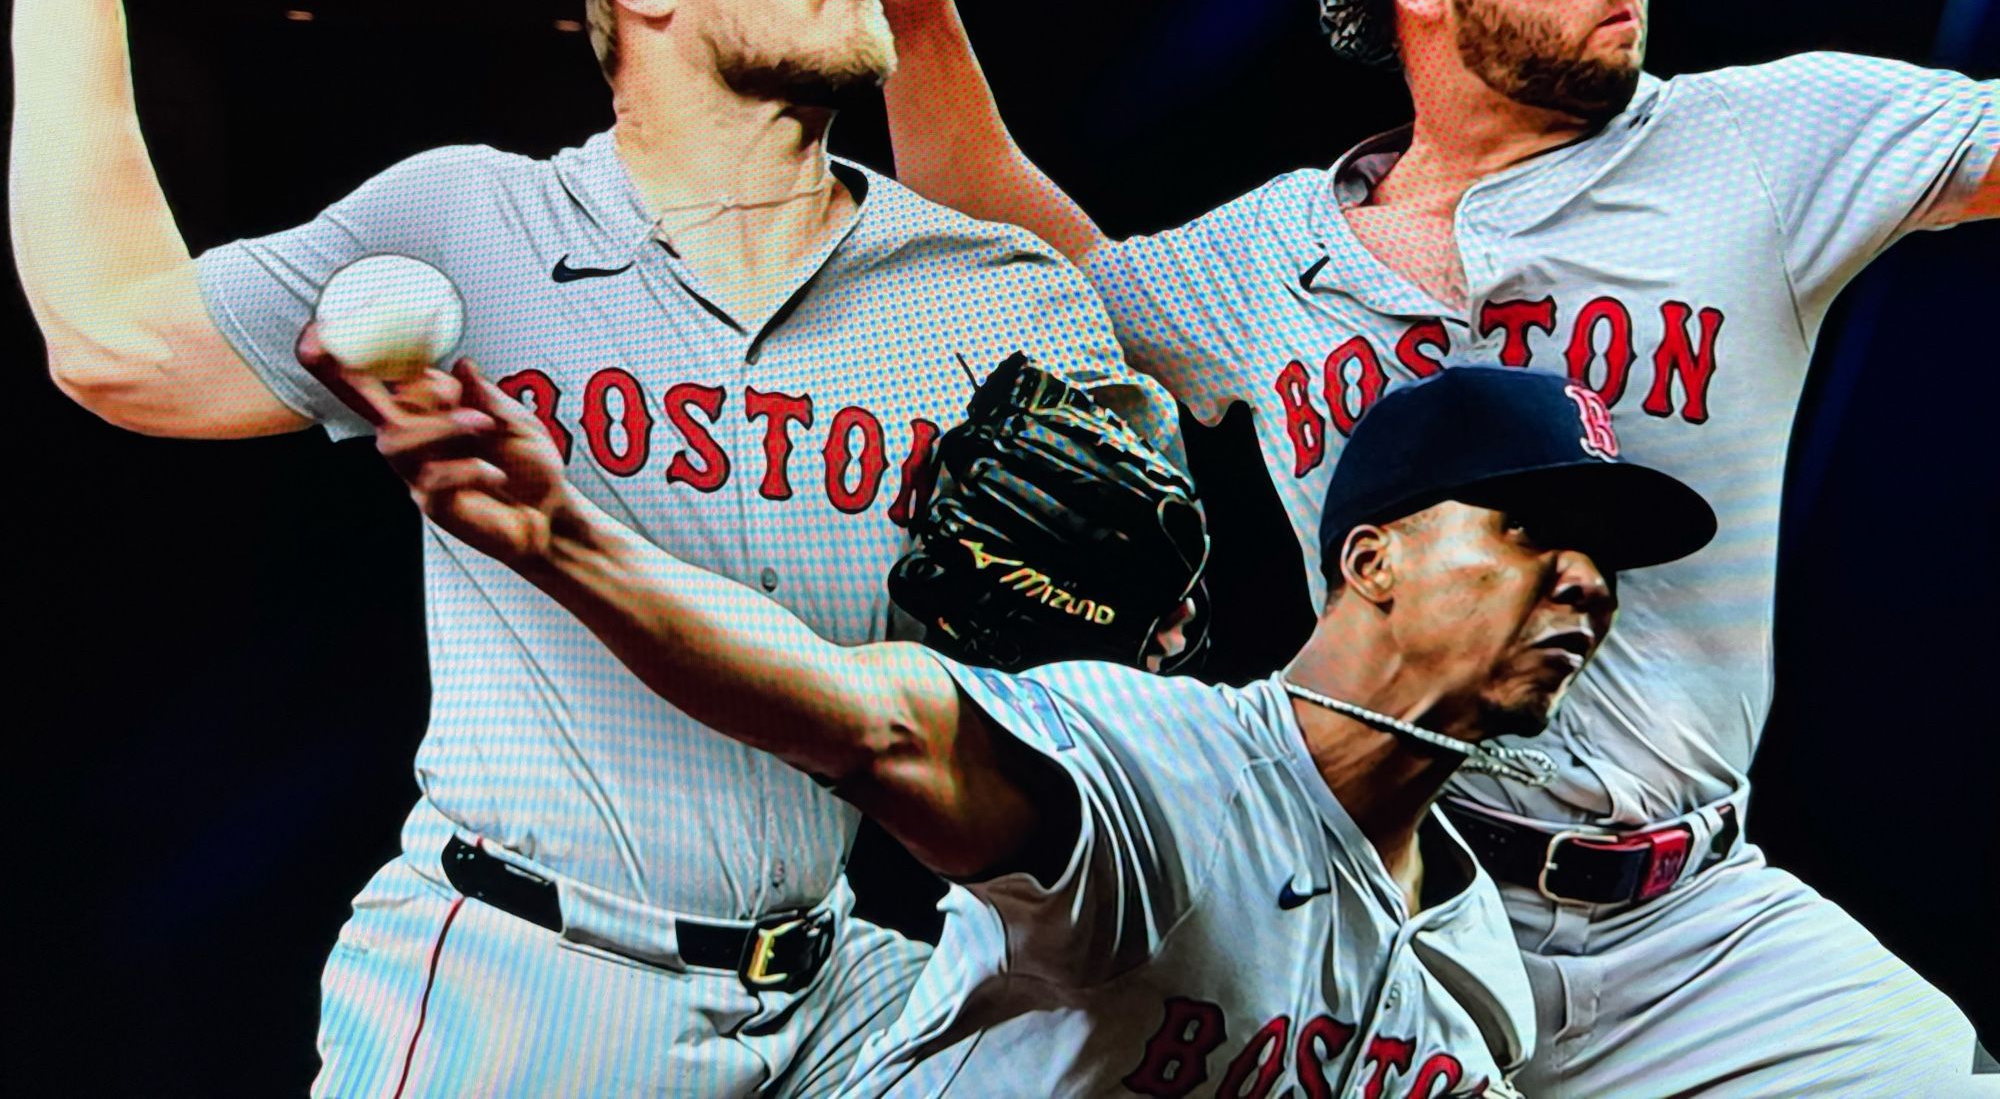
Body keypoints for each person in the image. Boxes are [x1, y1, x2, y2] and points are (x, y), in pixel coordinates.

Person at [8, 0, 1180, 1096]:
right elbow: (116, 345)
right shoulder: (469, 230)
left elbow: (1138, 647)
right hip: (526, 979)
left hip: (838, 990)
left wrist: (1141, 628)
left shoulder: (985, 293)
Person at [863, 0, 2000, 1092]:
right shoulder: (1270, 259)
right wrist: (917, 8)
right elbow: (1008, 257)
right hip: (1371, 909)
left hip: (1690, 924)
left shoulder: (1757, 147)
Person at [305, 340, 1719, 1098]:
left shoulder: (1473, 966)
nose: (1586, 578)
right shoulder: (1170, 773)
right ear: (1371, 560)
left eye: (1606, 554)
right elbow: (870, 726)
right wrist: (568, 541)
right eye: (1532, 529)